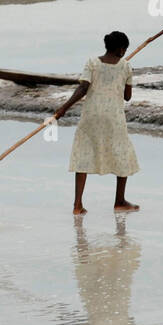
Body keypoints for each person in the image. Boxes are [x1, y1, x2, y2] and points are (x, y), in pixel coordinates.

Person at [54, 31, 141, 215]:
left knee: (83, 154)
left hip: (91, 116)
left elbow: (83, 88)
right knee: (122, 154)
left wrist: (64, 108)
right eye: (124, 49)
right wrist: (122, 76)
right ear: (120, 49)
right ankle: (119, 201)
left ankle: (77, 205)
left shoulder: (92, 63)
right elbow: (127, 97)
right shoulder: (126, 66)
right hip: (113, 118)